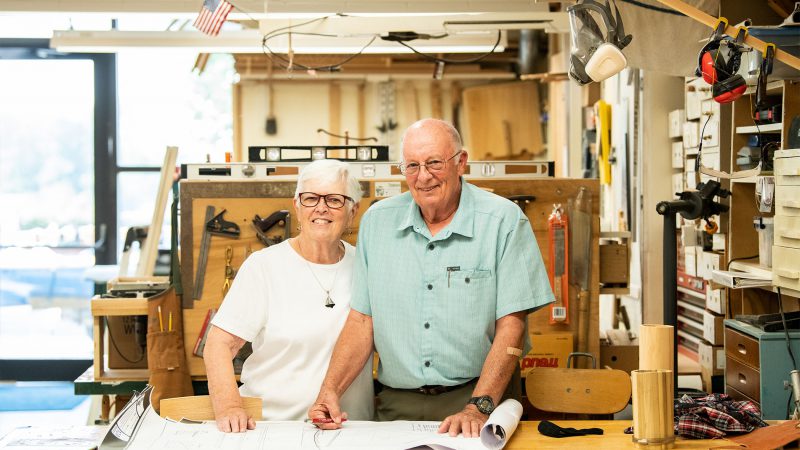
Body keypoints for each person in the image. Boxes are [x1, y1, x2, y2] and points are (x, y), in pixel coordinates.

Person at [309, 118, 554, 437]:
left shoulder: (503, 221)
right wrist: (330, 389)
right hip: (397, 405)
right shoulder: (378, 223)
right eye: (412, 165)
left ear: (461, 162)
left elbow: (512, 325)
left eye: (434, 163)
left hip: (480, 402)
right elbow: (362, 321)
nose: (423, 176)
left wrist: (477, 408)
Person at [204, 159, 374, 432]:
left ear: (353, 210)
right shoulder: (264, 267)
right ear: (296, 205)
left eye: (334, 199)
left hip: (349, 429)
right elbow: (218, 345)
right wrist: (230, 407)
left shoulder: (366, 267)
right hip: (273, 428)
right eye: (310, 198)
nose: (321, 207)